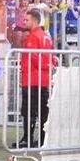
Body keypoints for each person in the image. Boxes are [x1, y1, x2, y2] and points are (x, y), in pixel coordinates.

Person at [15, 9, 53, 149]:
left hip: (32, 78)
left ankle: (28, 139)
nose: (24, 22)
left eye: (27, 20)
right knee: (43, 111)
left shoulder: (33, 37)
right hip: (42, 79)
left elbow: (34, 57)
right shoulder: (45, 36)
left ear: (35, 21)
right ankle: (42, 140)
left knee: (29, 111)